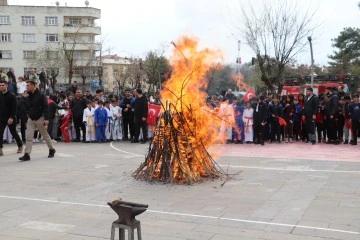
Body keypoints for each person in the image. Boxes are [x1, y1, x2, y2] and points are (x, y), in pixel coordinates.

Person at [19, 80, 56, 161]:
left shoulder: (41, 95)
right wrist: (24, 98)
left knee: (45, 135)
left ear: (33, 86)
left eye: (28, 85)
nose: (26, 87)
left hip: (40, 118)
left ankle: (52, 149)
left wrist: (46, 119)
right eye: (26, 85)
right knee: (29, 137)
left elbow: (46, 107)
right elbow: (27, 107)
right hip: (31, 119)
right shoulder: (28, 96)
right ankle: (27, 154)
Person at [0, 80, 23, 157]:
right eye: (0, 85)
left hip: (11, 117)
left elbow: (14, 108)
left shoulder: (12, 96)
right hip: (1, 118)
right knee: (0, 133)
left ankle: (20, 146)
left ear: (6, 86)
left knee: (13, 132)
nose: (1, 87)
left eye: (3, 85)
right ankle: (0, 149)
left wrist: (11, 117)